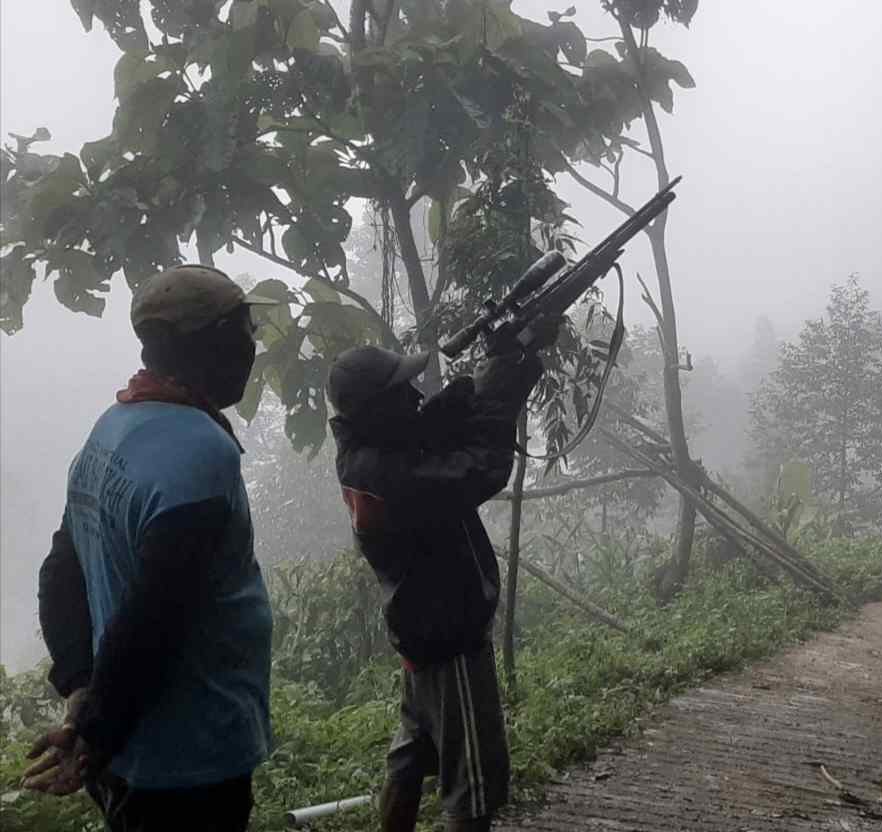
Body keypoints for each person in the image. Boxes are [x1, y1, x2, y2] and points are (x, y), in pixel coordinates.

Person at [23, 265, 275, 831]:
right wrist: (97, 734)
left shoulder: (113, 427)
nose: (252, 345)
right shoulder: (201, 454)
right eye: (245, 329)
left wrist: (82, 692)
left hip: (130, 757)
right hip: (189, 760)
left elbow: (61, 571)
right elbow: (155, 621)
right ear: (213, 344)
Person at [326, 320, 555, 832]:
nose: (413, 396)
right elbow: (482, 468)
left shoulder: (365, 457)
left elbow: (426, 432)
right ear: (376, 411)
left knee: (409, 762)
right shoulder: (387, 473)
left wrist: (477, 387)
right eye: (399, 391)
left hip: (421, 632)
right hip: (449, 639)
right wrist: (503, 381)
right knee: (472, 793)